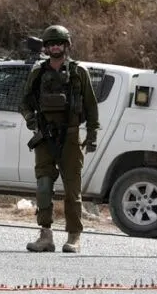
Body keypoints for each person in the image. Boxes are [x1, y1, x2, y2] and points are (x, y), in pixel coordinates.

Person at [18, 25, 100, 253]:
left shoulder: (78, 72)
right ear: (46, 47)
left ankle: (74, 236)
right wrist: (32, 121)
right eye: (51, 44)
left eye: (59, 43)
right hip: (45, 138)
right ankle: (45, 235)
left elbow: (91, 106)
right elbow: (24, 103)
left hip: (71, 137)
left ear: (66, 46)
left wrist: (92, 135)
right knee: (43, 186)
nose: (55, 47)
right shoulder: (38, 72)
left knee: (72, 191)